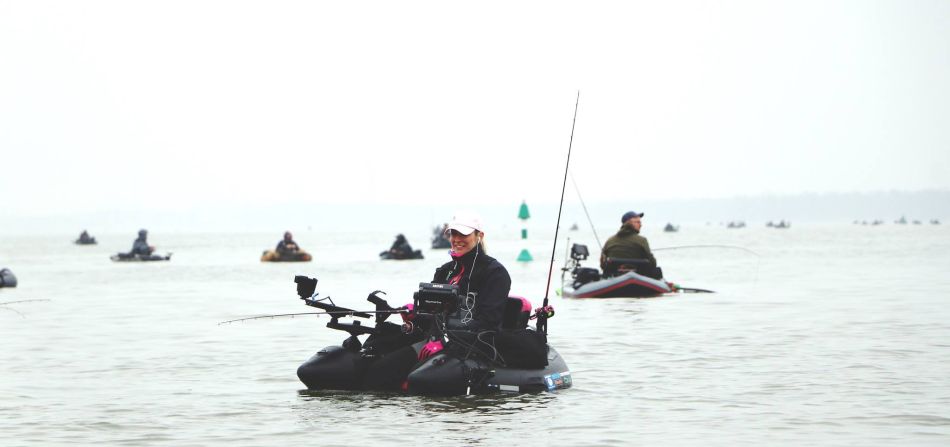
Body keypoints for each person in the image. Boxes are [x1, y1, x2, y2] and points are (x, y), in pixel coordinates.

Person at [362, 212, 511, 390]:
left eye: (463, 234)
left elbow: (489, 323)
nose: (457, 239)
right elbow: (430, 313)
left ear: (479, 235)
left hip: (468, 347)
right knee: (377, 352)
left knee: (383, 372)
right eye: (453, 233)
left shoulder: (495, 273)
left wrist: (445, 342)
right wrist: (414, 314)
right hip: (432, 339)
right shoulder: (445, 271)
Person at [600, 210, 660, 279]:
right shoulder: (642, 240)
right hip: (639, 279)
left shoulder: (610, 241)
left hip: (614, 279)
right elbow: (653, 264)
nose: (641, 225)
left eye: (640, 222)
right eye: (637, 222)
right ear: (628, 223)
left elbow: (603, 265)